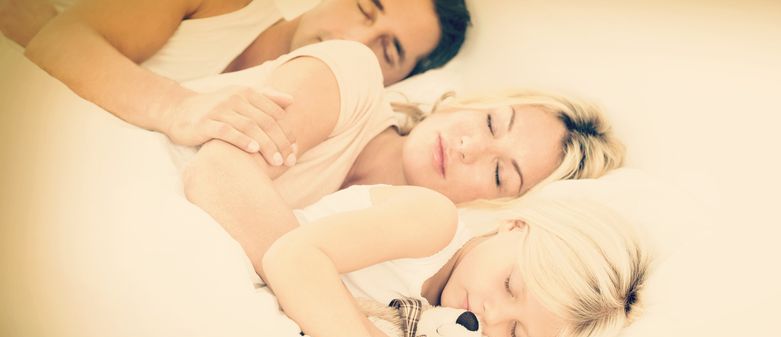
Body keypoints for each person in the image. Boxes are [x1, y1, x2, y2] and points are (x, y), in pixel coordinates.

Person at [177, 40, 626, 277]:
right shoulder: (352, 77)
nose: (470, 147)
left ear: (494, 206)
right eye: (491, 123)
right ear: (466, 102)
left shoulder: (393, 253)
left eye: (498, 172)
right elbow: (219, 170)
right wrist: (323, 296)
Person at [4, 0, 469, 167]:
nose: (351, 39)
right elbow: (61, 42)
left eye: (385, 51)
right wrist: (177, 107)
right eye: (365, 9)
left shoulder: (313, 135)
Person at [264, 188, 651, 337]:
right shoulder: (434, 223)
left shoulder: (446, 330)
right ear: (513, 227)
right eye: (510, 285)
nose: (491, 316)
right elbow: (294, 256)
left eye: (515, 333)